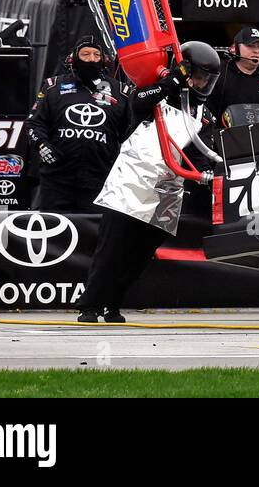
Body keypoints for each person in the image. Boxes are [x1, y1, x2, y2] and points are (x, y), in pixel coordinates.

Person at [80, 41, 222, 323]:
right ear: (184, 70)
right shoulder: (156, 93)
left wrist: (211, 177)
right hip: (130, 184)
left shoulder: (203, 115)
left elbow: (201, 153)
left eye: (207, 79)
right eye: (198, 76)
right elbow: (138, 102)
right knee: (111, 250)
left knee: (138, 257)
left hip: (165, 194)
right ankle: (91, 306)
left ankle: (112, 304)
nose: (201, 83)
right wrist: (171, 83)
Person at [26, 34, 131, 213]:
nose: (91, 59)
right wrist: (42, 146)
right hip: (57, 181)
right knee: (54, 234)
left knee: (95, 237)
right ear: (74, 58)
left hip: (100, 181)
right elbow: (33, 124)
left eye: (96, 55)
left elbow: (130, 133)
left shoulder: (121, 91)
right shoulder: (53, 86)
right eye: (85, 54)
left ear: (104, 60)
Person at [203, 25, 259, 125]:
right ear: (236, 48)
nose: (256, 51)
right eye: (250, 45)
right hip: (226, 137)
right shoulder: (219, 75)